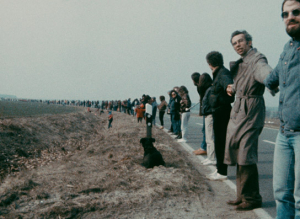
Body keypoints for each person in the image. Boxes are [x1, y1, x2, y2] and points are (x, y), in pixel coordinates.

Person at [225, 30, 272, 211]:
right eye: (234, 43)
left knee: (245, 154)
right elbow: (242, 82)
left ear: (249, 42)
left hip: (252, 110)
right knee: (238, 153)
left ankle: (252, 198)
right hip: (239, 109)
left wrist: (271, 79)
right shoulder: (242, 62)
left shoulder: (257, 59)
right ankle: (242, 196)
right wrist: (232, 87)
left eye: (240, 41)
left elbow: (264, 72)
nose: (237, 45)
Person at [264, 0, 300, 217]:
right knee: (281, 193)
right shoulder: (288, 48)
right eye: (285, 14)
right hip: (284, 132)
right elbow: (273, 76)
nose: (290, 17)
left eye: (296, 12)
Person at [206, 51, 234, 181]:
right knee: (219, 142)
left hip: (222, 112)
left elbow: (228, 83)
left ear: (209, 63)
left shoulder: (222, 73)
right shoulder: (219, 73)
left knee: (220, 142)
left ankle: (222, 172)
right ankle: (219, 169)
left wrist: (229, 87)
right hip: (219, 111)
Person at [199, 73, 216, 166]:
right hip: (208, 114)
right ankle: (210, 157)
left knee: (210, 138)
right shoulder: (208, 90)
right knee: (208, 138)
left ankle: (212, 158)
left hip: (210, 115)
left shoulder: (209, 90)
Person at [191, 72, 207, 155]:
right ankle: (203, 147)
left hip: (206, 110)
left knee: (205, 130)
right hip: (205, 109)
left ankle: (204, 147)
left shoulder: (201, 87)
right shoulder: (201, 87)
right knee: (204, 129)